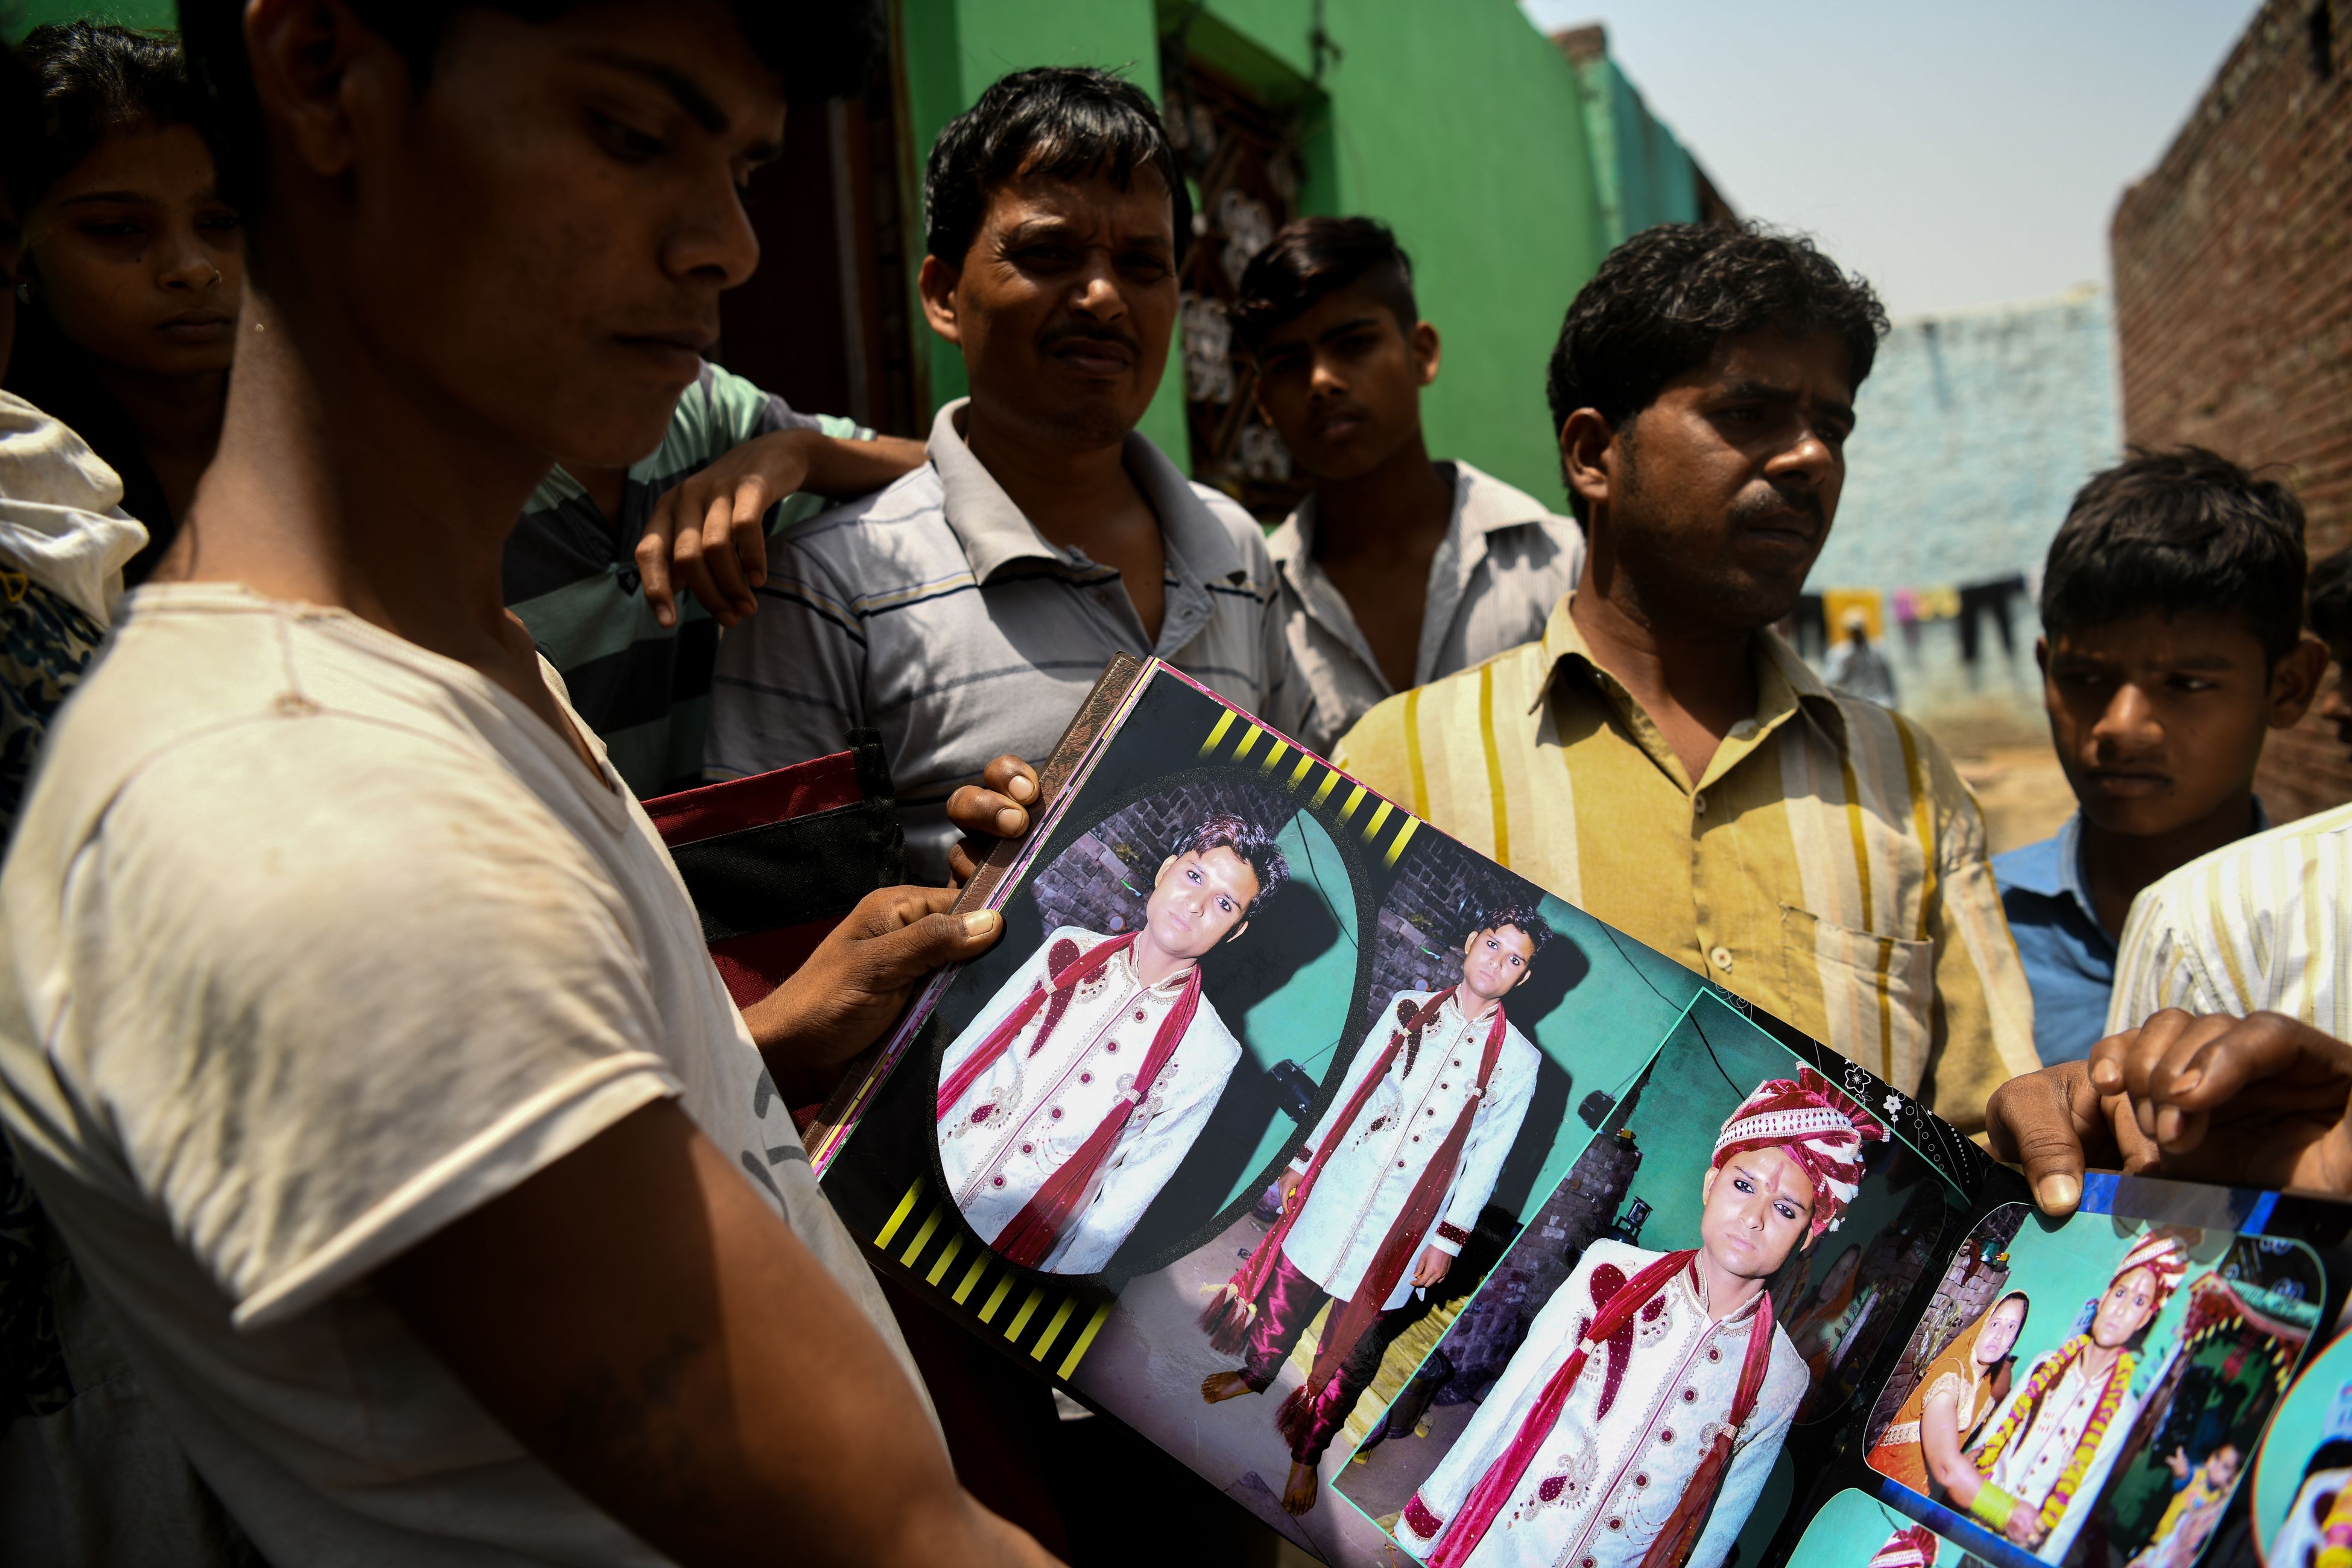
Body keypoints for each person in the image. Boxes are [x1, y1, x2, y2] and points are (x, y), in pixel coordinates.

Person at [0, 2, 1061, 1563]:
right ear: (319, 75)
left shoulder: (456, 654)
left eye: (746, 166)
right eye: (631, 135)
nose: (726, 244)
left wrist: (770, 1046)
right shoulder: (305, 805)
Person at [1333, 222, 2035, 1134]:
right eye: (1748, 414)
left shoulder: (1908, 784)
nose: (1812, 457)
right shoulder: (1400, 765)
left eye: (1833, 427)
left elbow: (1996, 1137)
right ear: (1595, 456)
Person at [702, 66, 1291, 882]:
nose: (1103, 296)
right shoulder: (830, 588)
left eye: (1144, 264)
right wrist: (944, 928)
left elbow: (1295, 827)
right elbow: (766, 940)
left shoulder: (1236, 553)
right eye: (1049, 253)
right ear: (944, 296)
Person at [1396, 1068, 1887, 1568]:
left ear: (1810, 1235)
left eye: (1786, 1209)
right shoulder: (1610, 1269)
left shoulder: (1783, 1375)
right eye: (1743, 1185)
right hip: (1505, 1544)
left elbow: (1718, 1523)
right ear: (1711, 1183)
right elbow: (1513, 1398)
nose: (1755, 1217)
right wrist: (1432, 1517)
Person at [1198, 906, 1548, 1516]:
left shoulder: (1520, 1060)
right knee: (1288, 1287)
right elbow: (1353, 1085)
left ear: (1522, 978)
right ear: (1470, 942)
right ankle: (1256, 1373)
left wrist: (1448, 1238)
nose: (1497, 961)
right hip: (1347, 1179)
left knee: (1355, 1345)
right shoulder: (1409, 1005)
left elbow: (1487, 1157)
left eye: (1514, 958)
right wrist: (1304, 1161)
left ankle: (1309, 1446)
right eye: (1493, 944)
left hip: (1411, 1217)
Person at [1993, 449, 2325, 1067]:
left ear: (2290, 686)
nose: (2122, 726)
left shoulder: (2331, 931)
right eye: (2085, 677)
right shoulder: (1976, 924)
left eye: (2187, 683)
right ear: (2045, 672)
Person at [1230, 217, 1582, 755]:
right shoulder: (1257, 606)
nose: (1322, 380)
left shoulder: (1557, 563)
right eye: (1289, 363)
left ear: (1421, 354)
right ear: (1263, 405)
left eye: (1353, 344)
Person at [507, 361, 923, 797]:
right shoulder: (450, 477)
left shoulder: (695, 403)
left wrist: (801, 453)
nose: (705, 320)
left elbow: (941, 467)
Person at [937, 811, 1283, 1272]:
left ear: (1235, 931)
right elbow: (970, 1048)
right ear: (1165, 871)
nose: (1197, 904)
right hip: (945, 1154)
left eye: (1225, 905)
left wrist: (1062, 1280)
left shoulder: (1212, 1053)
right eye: (1194, 875)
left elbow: (1131, 1192)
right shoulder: (1068, 948)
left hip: (1023, 1237)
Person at [3, 23, 239, 586]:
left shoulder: (361, 410)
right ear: (20, 254)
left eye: (223, 222)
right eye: (117, 229)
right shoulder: (17, 468)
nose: (192, 269)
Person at [1955, 1233, 2187, 1556]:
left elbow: (2074, 1511)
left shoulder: (2123, 1411)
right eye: (2120, 1293)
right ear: (2105, 1297)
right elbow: (1982, 1448)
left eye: (2138, 1302)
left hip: (2018, 1551)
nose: (2121, 1311)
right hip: (1971, 1515)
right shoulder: (2045, 1364)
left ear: (2144, 1319)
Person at [1865, 1290, 2031, 1500]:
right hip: (1879, 1489)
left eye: (2011, 1327)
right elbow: (1946, 1467)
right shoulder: (1951, 1373)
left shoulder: (1984, 1388)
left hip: (1914, 1498)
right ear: (1983, 1326)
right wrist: (2006, 1513)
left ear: (2012, 1342)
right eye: (1995, 1323)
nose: (1999, 1335)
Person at [2124, 1441, 2240, 1568]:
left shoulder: (2219, 1501)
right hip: (2161, 1543)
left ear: (2232, 1478)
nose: (2216, 1466)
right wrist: (2182, 1474)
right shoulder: (2197, 1475)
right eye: (2217, 1457)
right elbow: (2183, 1479)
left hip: (2179, 1559)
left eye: (2225, 1467)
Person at [1822, 604, 1897, 707]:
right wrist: (1845, 666)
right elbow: (1831, 680)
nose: (1857, 635)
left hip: (1879, 702)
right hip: (1854, 704)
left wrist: (1893, 700)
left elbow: (1888, 678)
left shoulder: (1877, 650)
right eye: (1853, 631)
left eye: (1859, 630)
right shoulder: (1840, 654)